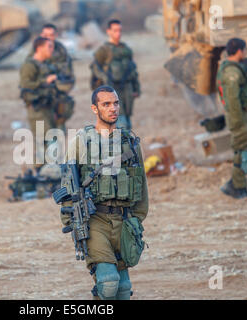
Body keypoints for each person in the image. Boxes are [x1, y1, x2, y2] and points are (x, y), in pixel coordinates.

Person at [59, 85, 149, 300]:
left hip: (124, 220)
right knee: (108, 282)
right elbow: (67, 185)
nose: (113, 108)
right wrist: (70, 221)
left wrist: (137, 220)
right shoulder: (81, 141)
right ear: (94, 108)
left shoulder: (130, 142)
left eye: (115, 103)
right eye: (106, 104)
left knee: (124, 288)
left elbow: (142, 185)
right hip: (95, 220)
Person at [217, 38, 247, 199]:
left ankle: (234, 182)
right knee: (242, 154)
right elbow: (232, 100)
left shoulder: (237, 69)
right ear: (239, 51)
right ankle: (237, 187)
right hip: (238, 117)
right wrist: (238, 122)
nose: (245, 53)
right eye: (244, 50)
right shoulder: (231, 72)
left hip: (245, 115)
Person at [90, 19, 141, 129]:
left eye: (120, 30)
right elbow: (95, 68)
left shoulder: (126, 50)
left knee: (127, 119)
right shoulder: (103, 50)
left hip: (127, 88)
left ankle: (126, 144)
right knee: (120, 121)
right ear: (108, 31)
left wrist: (136, 89)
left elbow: (133, 70)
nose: (118, 33)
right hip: (112, 89)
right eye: (115, 30)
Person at [19, 37, 58, 172]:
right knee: (46, 141)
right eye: (49, 46)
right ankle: (43, 172)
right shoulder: (29, 65)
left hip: (47, 108)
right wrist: (44, 81)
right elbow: (25, 85)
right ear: (39, 48)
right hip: (37, 109)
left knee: (50, 140)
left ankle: (47, 172)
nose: (51, 50)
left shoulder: (46, 65)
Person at [28, 24, 75, 132]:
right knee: (44, 130)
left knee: (59, 127)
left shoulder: (61, 51)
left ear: (56, 35)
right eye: (45, 35)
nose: (48, 38)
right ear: (41, 35)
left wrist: (63, 84)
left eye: (51, 35)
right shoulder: (35, 52)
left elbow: (68, 73)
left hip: (58, 93)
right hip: (42, 95)